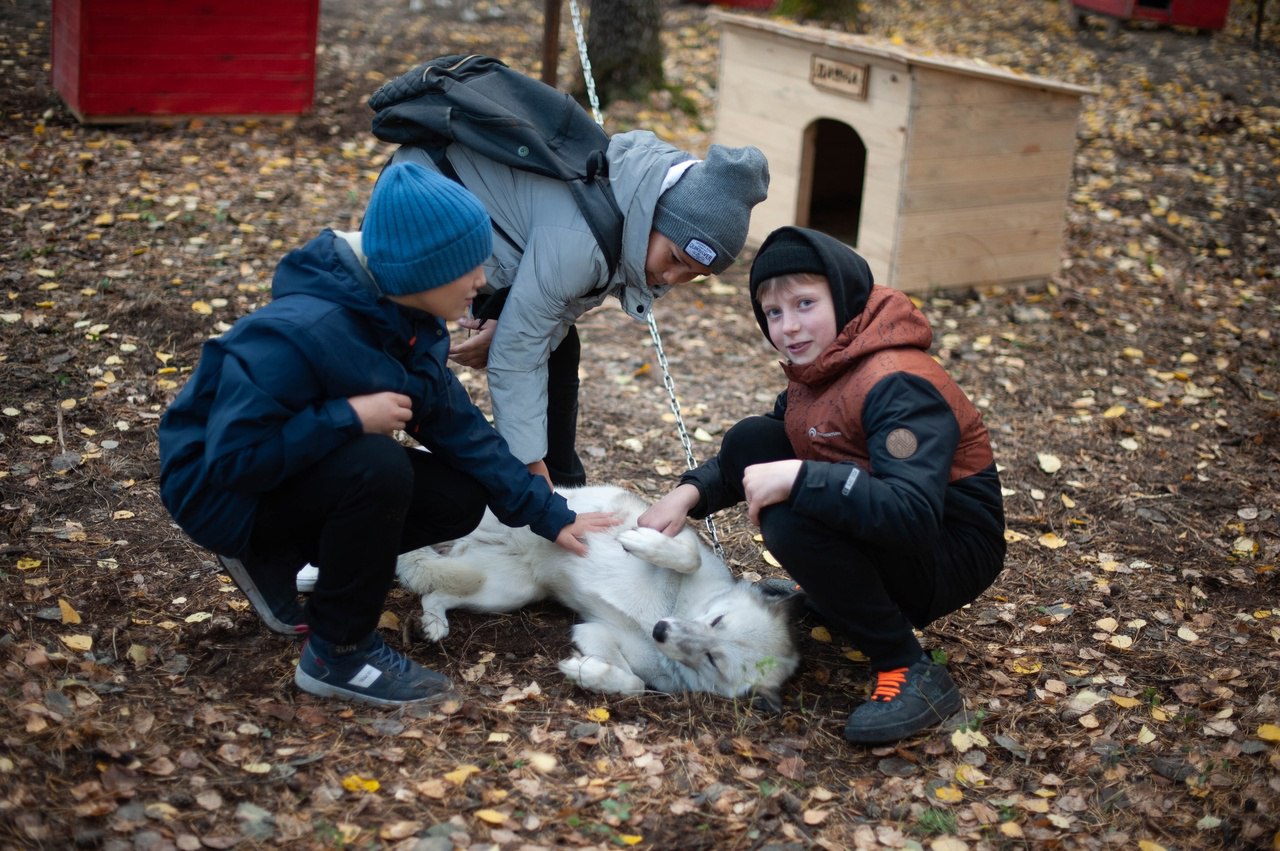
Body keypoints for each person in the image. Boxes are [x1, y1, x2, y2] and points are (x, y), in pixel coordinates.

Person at [158, 162, 617, 707]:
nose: (483, 280)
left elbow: (463, 432)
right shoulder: (299, 332)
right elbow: (232, 460)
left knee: (459, 496)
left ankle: (273, 558)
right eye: (470, 267)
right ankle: (339, 652)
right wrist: (349, 418)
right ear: (425, 270)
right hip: (218, 491)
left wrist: (551, 515)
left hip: (280, 475)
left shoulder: (406, 321)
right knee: (378, 466)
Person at [637, 226, 1006, 744]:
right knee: (753, 439)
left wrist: (802, 476)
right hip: (895, 525)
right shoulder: (827, 363)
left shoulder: (898, 383)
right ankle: (835, 596)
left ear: (845, 293)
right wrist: (691, 492)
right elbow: (767, 444)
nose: (789, 326)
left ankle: (908, 667)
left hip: (948, 548)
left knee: (789, 515)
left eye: (805, 303)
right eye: (774, 313)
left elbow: (912, 513)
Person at [386, 132, 769, 488]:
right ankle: (381, 457)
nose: (671, 277)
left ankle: (563, 477)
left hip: (480, 216)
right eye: (675, 257)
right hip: (422, 200)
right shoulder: (585, 241)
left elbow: (560, 308)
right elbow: (517, 356)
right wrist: (530, 469)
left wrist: (508, 324)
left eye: (693, 275)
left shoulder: (630, 198)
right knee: (416, 350)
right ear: (657, 215)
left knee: (559, 347)